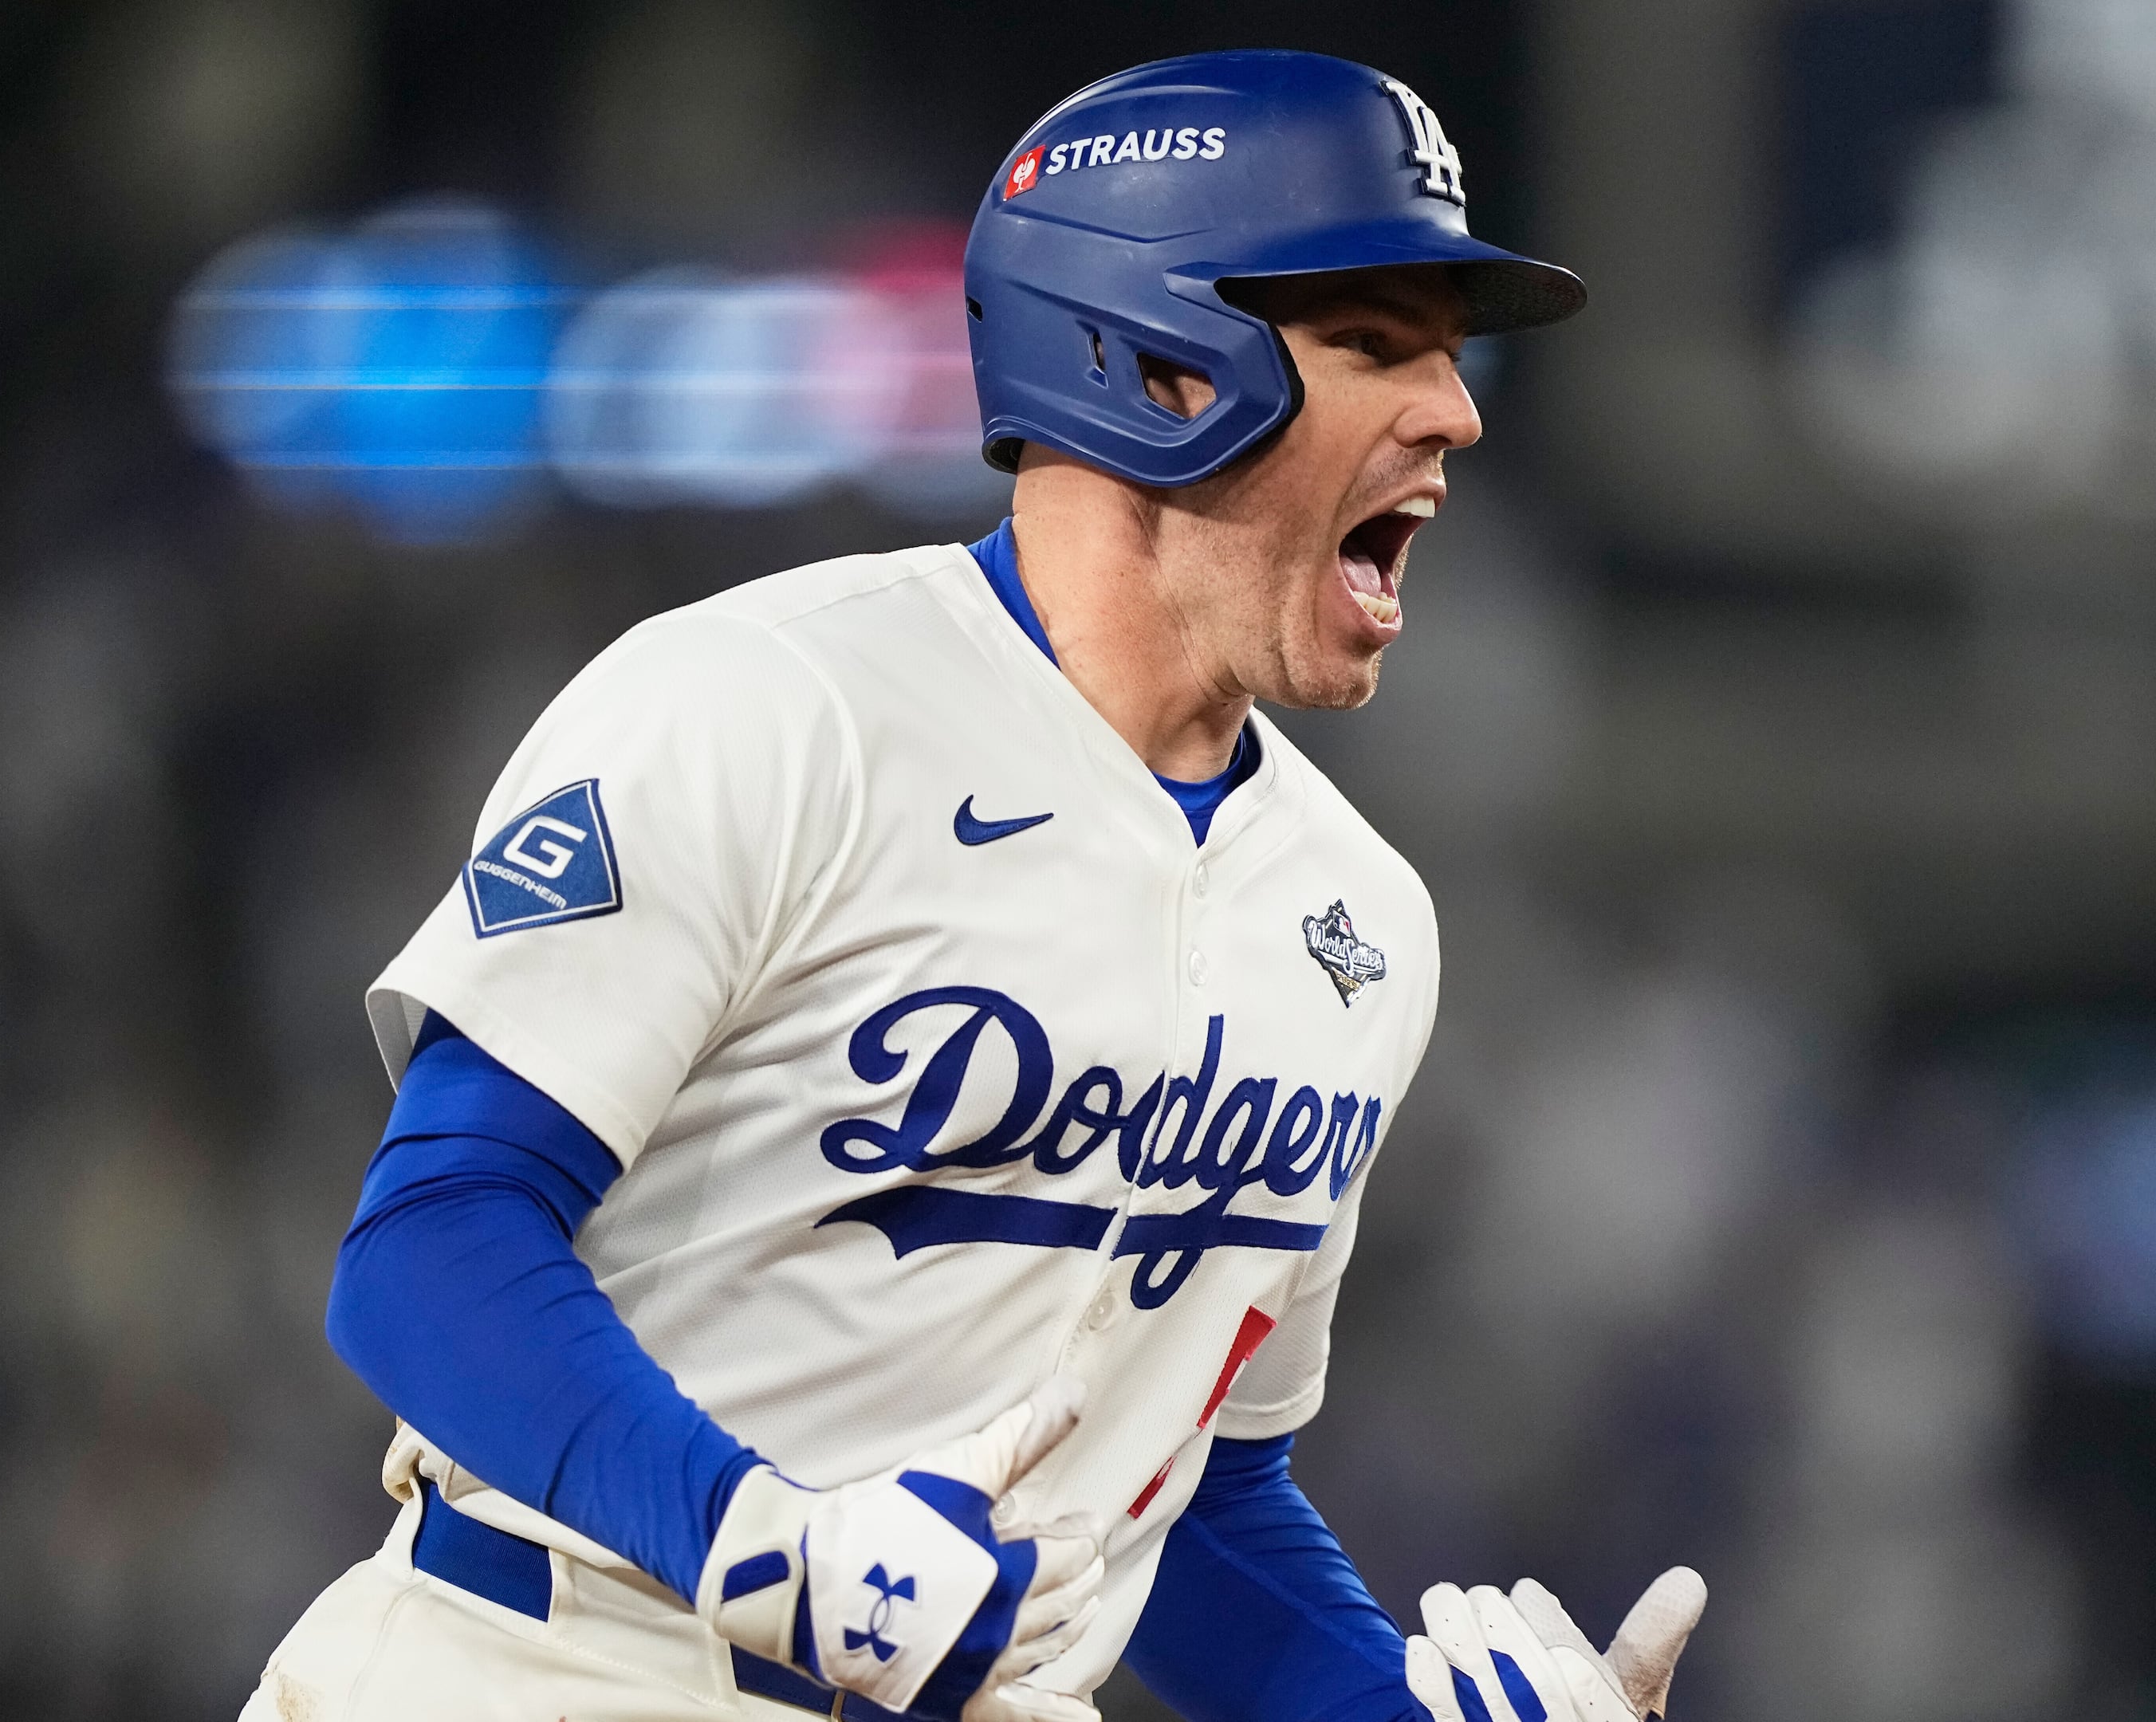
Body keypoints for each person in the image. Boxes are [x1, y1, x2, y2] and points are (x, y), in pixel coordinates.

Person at [241, 50, 1702, 1722]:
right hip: (548, 1671)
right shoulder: (774, 702)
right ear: (1156, 366)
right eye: (1377, 346)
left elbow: (1189, 1497)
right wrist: (762, 1543)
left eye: (1448, 356)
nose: (1455, 414)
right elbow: (432, 1239)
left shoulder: (1364, 921)